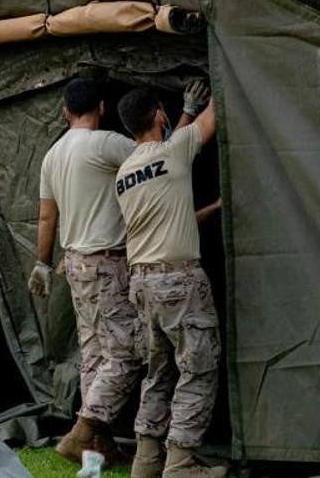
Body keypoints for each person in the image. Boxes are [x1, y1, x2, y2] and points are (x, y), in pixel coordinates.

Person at [36, 80, 210, 467]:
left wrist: (40, 263)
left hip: (75, 263)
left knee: (94, 353)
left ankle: (97, 445)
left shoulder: (52, 156)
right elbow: (157, 158)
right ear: (100, 107)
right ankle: (82, 430)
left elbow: (48, 214)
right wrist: (186, 113)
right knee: (129, 352)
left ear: (65, 111)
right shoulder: (105, 144)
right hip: (108, 261)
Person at [115, 85, 225, 478]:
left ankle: (145, 464)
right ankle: (181, 465)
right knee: (198, 368)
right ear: (160, 115)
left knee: (159, 373)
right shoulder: (173, 152)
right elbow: (210, 119)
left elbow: (168, 215)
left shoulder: (125, 173)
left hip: (143, 285)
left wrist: (211, 209)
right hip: (179, 282)